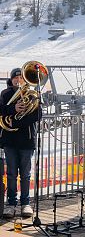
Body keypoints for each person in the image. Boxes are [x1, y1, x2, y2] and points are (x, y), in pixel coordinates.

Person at [0, 68, 39, 218]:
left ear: (25, 79)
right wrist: (13, 108)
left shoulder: (34, 94)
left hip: (26, 140)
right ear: (11, 80)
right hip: (10, 140)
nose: (18, 80)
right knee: (10, 174)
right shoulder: (5, 93)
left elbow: (37, 114)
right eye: (15, 78)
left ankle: (25, 204)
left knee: (25, 174)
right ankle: (11, 204)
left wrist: (17, 121)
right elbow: (1, 110)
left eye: (20, 78)